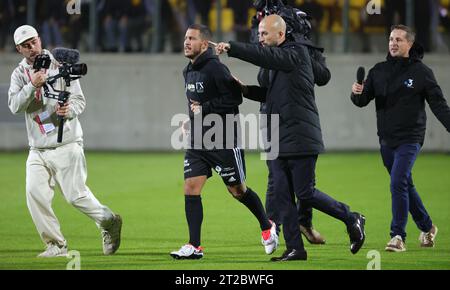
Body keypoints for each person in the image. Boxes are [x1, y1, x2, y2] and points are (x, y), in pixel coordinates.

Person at [215, 14, 366, 261]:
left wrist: (233, 47)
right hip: (277, 135)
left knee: (305, 193)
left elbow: (264, 56)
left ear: (281, 34)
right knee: (283, 195)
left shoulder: (295, 52)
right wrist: (246, 90)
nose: (260, 38)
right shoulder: (279, 61)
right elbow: (271, 95)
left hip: (300, 134)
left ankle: (352, 218)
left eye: (264, 34)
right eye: (259, 34)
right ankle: (295, 248)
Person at [8, 25, 122, 258]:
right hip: (37, 148)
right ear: (19, 49)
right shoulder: (19, 74)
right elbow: (14, 106)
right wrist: (33, 85)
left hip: (66, 144)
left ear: (40, 40)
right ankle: (56, 245)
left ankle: (108, 221)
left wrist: (68, 110)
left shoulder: (60, 64)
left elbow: (80, 101)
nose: (31, 48)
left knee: (75, 196)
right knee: (34, 195)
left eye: (34, 42)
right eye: (25, 45)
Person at [170, 24, 278, 260]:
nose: (186, 42)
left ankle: (267, 226)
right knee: (190, 187)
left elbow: (234, 98)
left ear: (204, 43)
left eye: (192, 38)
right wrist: (190, 121)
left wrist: (204, 109)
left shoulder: (217, 69)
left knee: (237, 190)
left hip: (224, 139)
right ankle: (194, 246)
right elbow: (194, 106)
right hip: (199, 140)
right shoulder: (187, 71)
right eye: (185, 38)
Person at [351, 24, 450, 252]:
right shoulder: (378, 71)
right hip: (386, 140)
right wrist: (356, 92)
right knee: (404, 183)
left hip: (410, 138)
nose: (393, 43)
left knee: (397, 182)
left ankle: (397, 235)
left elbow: (439, 105)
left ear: (410, 44)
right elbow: (362, 100)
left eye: (399, 39)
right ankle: (427, 227)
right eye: (391, 39)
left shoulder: (422, 73)